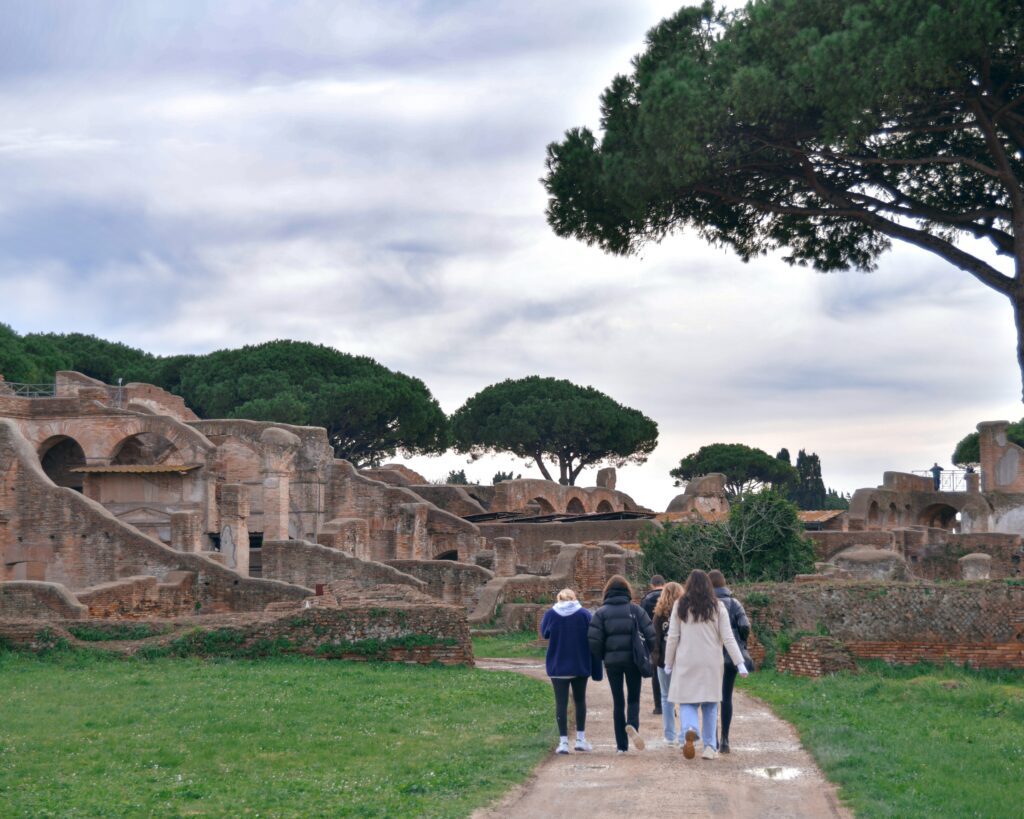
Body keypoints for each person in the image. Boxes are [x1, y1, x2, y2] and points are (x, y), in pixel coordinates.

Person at [664, 569, 747, 761]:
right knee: (710, 704)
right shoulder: (717, 607)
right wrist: (739, 662)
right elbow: (728, 637)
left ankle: (690, 728)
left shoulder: (680, 606)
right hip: (711, 661)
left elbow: (673, 637)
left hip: (686, 661)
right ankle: (710, 747)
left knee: (687, 701)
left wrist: (668, 662)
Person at [588, 574, 657, 753]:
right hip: (634, 660)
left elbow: (594, 640)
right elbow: (651, 636)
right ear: (627, 591)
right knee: (633, 698)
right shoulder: (636, 611)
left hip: (612, 663)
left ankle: (621, 746)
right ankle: (632, 724)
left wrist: (603, 655)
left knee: (618, 702)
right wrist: (645, 652)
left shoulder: (601, 613)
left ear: (607, 592)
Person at [540, 588, 595, 754]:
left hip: (557, 664)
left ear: (559, 599)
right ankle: (580, 739)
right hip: (579, 663)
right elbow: (592, 635)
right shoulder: (584, 614)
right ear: (574, 598)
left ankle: (563, 741)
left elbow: (545, 634)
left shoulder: (551, 614)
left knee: (561, 703)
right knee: (580, 701)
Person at [708, 570, 751, 754]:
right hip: (731, 657)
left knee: (711, 698)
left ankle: (713, 739)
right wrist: (742, 643)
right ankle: (725, 738)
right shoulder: (734, 603)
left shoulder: (708, 605)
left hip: (712, 656)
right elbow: (745, 625)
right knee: (726, 697)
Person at [651, 581, 684, 745]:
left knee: (666, 697)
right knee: (685, 698)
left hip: (664, 660)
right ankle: (685, 734)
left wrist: (655, 658)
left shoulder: (658, 614)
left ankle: (669, 735)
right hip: (683, 659)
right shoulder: (686, 613)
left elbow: (654, 638)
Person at [640, 575, 665, 714]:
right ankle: (670, 706)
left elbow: (642, 621)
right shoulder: (673, 598)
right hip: (670, 638)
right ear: (663, 584)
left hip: (653, 639)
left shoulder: (646, 599)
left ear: (652, 585)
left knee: (656, 673)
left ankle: (658, 706)